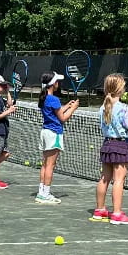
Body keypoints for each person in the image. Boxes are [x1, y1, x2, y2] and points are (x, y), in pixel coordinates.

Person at [94, 74, 128, 225]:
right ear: (120, 89)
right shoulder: (124, 108)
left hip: (107, 145)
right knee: (118, 180)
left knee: (104, 178)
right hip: (120, 146)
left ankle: (99, 210)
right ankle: (117, 213)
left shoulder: (102, 108)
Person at [35, 71, 79, 204]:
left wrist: (67, 106)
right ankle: (46, 194)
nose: (58, 83)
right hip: (54, 134)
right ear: (53, 84)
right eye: (57, 81)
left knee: (45, 164)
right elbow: (63, 118)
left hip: (45, 132)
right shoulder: (54, 99)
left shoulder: (44, 98)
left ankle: (41, 192)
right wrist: (74, 108)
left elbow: (56, 112)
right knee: (50, 165)